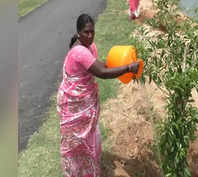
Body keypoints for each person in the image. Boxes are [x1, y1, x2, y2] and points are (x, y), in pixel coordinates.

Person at [57, 14, 139, 177]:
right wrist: (128, 68)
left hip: (85, 104)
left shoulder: (89, 47)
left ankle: (88, 170)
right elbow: (102, 72)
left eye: (92, 32)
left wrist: (120, 64)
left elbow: (99, 65)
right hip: (75, 105)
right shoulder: (79, 51)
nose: (90, 36)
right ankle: (76, 172)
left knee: (89, 139)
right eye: (86, 32)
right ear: (79, 32)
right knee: (76, 144)